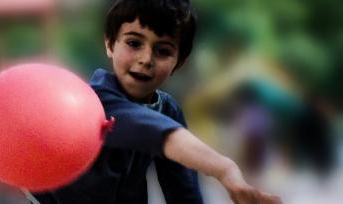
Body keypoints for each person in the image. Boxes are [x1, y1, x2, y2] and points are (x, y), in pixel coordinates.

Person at [31, 0, 282, 203]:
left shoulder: (168, 109)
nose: (146, 58)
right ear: (109, 44)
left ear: (179, 62)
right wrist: (225, 170)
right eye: (133, 43)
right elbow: (153, 132)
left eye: (163, 50)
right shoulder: (95, 100)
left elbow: (182, 188)